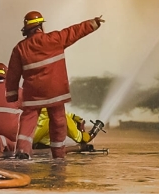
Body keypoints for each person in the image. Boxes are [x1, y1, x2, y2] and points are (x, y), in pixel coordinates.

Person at [6, 11, 104, 160]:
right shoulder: (55, 39)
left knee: (28, 119)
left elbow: (13, 74)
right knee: (58, 121)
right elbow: (74, 32)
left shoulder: (20, 48)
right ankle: (58, 155)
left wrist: (12, 94)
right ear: (40, 26)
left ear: (26, 28)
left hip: (34, 92)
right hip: (56, 92)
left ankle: (22, 151)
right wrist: (93, 23)